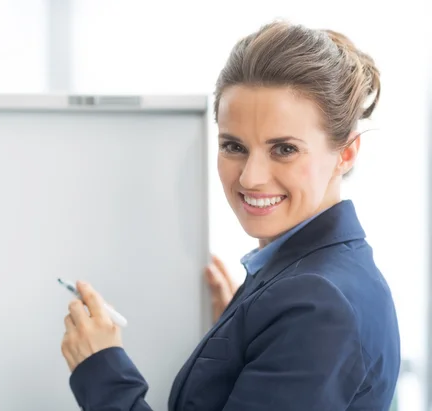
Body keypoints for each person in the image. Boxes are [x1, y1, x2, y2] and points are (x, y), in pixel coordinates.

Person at [60, 21, 401, 410]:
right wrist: (240, 332)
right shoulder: (309, 279)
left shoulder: (318, 305)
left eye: (284, 149)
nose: (250, 177)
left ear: (346, 153)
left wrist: (102, 372)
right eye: (233, 146)